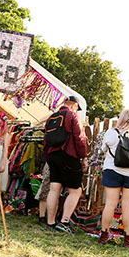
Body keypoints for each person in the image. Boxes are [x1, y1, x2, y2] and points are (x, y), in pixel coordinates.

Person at [98, 109, 129, 248]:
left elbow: (103, 150)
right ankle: (128, 240)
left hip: (113, 170)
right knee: (128, 205)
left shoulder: (111, 133)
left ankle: (104, 236)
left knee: (110, 204)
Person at [44, 95, 87, 233]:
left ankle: (50, 222)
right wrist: (83, 156)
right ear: (74, 105)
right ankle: (64, 222)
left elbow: (45, 138)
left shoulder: (52, 117)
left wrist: (48, 155)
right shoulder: (73, 116)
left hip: (52, 155)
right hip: (68, 154)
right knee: (75, 190)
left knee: (54, 188)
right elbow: (80, 137)